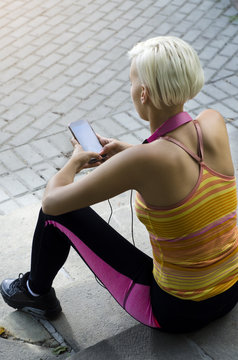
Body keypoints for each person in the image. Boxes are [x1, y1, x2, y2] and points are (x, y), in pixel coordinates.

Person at [1, 36, 238, 333]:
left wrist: (74, 161)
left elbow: (53, 202)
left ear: (143, 94)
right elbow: (179, 161)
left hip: (178, 311)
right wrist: (126, 151)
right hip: (229, 292)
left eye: (130, 83)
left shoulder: (143, 161)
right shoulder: (212, 122)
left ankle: (35, 293)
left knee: (55, 215)